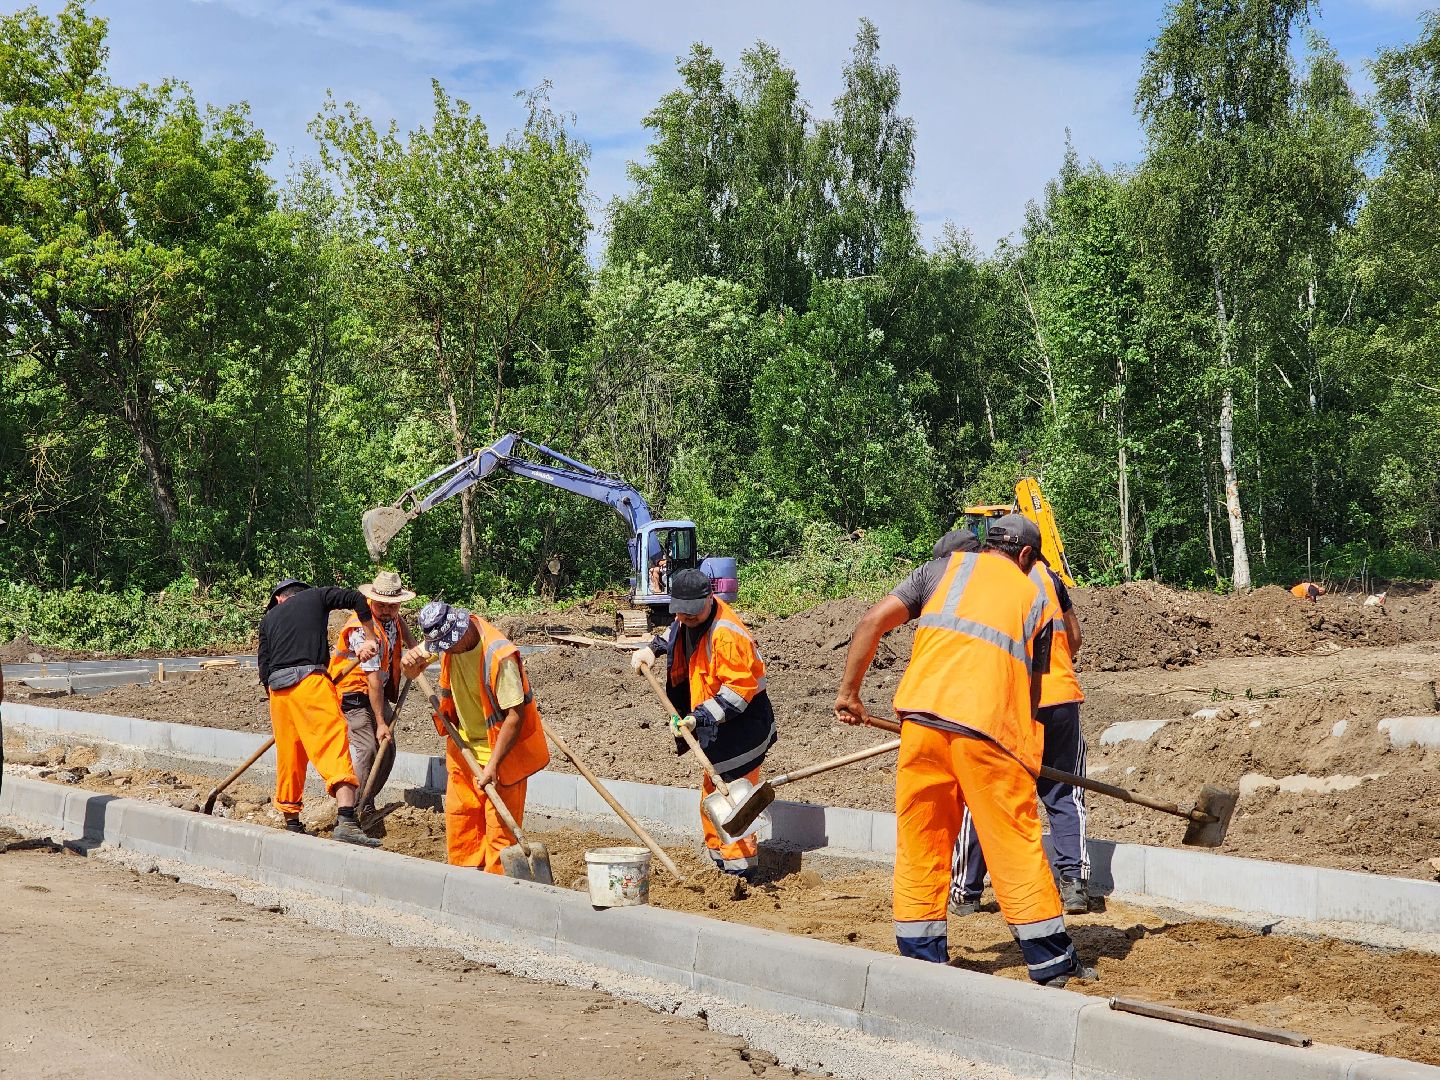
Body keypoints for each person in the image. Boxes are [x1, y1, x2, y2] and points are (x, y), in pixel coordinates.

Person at [834, 514, 1093, 986]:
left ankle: (919, 954)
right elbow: (1033, 691)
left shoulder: (938, 573)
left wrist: (850, 693)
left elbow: (870, 623)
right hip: (988, 734)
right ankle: (1052, 961)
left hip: (920, 725)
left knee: (922, 838)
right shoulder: (1035, 598)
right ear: (1026, 556)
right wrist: (1029, 751)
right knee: (1013, 843)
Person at [950, 552, 1090, 915]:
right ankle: (1074, 884)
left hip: (1006, 702)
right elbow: (1073, 637)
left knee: (984, 792)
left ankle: (966, 890)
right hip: (1059, 698)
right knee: (1065, 793)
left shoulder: (986, 581)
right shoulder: (1051, 579)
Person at [630, 568, 776, 879]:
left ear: (709, 599)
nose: (685, 620)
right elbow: (675, 631)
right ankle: (719, 868)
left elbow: (738, 693)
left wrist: (698, 718)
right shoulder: (688, 617)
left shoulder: (727, 634)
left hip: (742, 730)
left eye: (692, 615)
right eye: (680, 614)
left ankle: (741, 874)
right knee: (711, 796)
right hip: (715, 728)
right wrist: (652, 649)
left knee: (734, 801)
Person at [401, 601, 550, 872]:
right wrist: (409, 665)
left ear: (460, 633)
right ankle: (465, 887)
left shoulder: (499, 656)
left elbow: (515, 717)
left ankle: (497, 895)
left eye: (446, 647)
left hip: (503, 757)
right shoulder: (445, 639)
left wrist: (492, 765)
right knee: (463, 827)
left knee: (500, 838)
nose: (443, 653)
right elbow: (415, 663)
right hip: (463, 749)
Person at [257, 577, 381, 847]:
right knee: (332, 743)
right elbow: (357, 599)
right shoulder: (317, 596)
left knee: (290, 754)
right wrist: (370, 636)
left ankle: (291, 821)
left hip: (278, 694)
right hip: (309, 683)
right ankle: (347, 820)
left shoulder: (269, 619)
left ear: (279, 598)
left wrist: (283, 700)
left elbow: (263, 668)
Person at [330, 570, 416, 829]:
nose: (388, 611)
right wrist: (380, 721)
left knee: (388, 749)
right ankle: (350, 810)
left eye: (393, 606)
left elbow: (410, 643)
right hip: (353, 693)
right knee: (367, 749)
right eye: (382, 606)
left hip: (375, 692)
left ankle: (366, 800)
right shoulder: (360, 627)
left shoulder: (395, 618)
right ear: (371, 601)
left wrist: (418, 656)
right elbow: (373, 680)